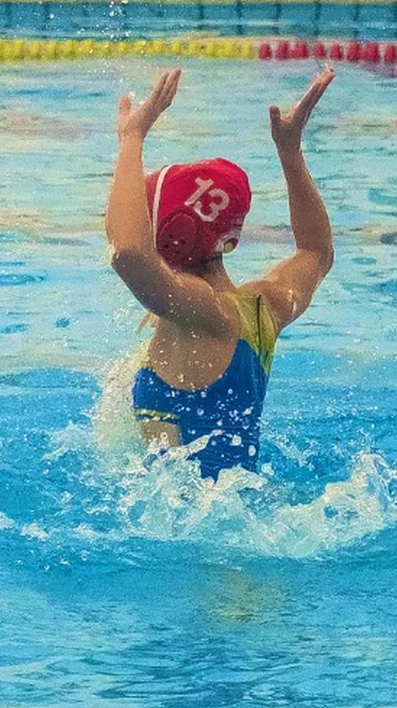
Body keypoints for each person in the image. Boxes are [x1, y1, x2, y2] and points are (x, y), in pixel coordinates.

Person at [106, 66, 335, 479]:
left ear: (172, 235)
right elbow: (315, 252)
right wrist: (290, 153)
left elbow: (128, 252)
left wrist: (131, 140)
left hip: (186, 532)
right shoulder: (262, 307)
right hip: (239, 508)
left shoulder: (201, 314)